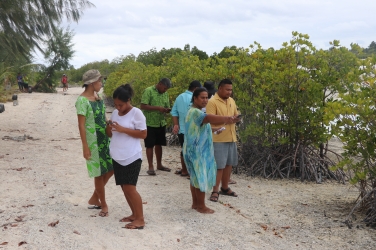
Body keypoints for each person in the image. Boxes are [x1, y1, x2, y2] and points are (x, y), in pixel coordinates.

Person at [183, 87, 238, 214]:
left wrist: (214, 130)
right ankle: (201, 206)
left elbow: (200, 127)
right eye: (202, 97)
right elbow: (208, 118)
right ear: (195, 98)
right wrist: (227, 119)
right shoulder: (196, 113)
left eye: (207, 97)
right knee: (201, 177)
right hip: (198, 151)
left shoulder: (192, 111)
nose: (205, 100)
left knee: (195, 178)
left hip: (191, 150)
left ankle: (195, 204)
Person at [106, 84, 147, 230]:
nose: (118, 107)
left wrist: (124, 129)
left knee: (130, 188)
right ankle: (134, 214)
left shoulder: (137, 113)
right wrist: (109, 127)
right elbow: (110, 134)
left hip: (132, 156)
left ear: (128, 100)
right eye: (116, 104)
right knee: (124, 187)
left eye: (121, 104)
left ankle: (140, 219)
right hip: (117, 155)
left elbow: (143, 134)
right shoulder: (116, 113)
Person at [75, 69, 113, 217]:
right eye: (99, 81)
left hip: (104, 139)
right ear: (91, 83)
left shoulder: (99, 97)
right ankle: (102, 203)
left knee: (111, 168)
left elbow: (103, 116)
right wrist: (85, 146)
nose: (101, 83)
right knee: (99, 173)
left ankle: (94, 197)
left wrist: (109, 122)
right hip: (93, 142)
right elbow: (81, 125)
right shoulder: (82, 101)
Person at [206, 79, 240, 202]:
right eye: (227, 89)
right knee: (219, 166)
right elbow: (209, 118)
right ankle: (215, 191)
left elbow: (235, 114)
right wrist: (226, 119)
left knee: (229, 164)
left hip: (231, 137)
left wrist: (236, 118)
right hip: (218, 138)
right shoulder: (212, 102)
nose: (229, 92)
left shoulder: (231, 100)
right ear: (220, 88)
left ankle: (224, 188)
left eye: (231, 90)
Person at [140, 78, 172, 175]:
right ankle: (150, 166)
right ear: (160, 84)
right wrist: (157, 108)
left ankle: (159, 164)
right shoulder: (148, 91)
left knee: (159, 144)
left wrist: (167, 110)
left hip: (161, 122)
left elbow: (166, 106)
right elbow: (143, 106)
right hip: (149, 123)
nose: (165, 90)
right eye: (164, 88)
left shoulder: (165, 94)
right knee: (149, 145)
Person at [171, 80, 202, 177]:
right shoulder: (195, 99)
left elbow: (174, 112)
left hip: (182, 129)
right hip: (192, 130)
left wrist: (176, 125)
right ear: (196, 89)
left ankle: (184, 170)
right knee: (192, 151)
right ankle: (191, 171)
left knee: (184, 149)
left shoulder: (179, 97)